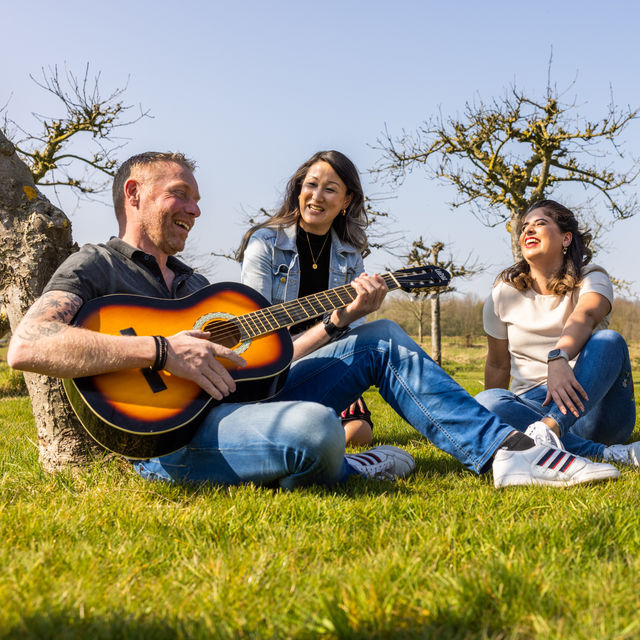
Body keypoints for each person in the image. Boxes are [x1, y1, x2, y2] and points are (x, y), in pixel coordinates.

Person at [7, 153, 621, 490]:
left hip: (247, 399)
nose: (196, 209)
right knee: (314, 432)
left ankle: (504, 453)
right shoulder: (96, 265)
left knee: (378, 337)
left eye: (197, 198)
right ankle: (353, 462)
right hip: (168, 437)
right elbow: (30, 345)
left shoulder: (196, 287)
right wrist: (164, 354)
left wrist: (339, 321)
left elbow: (264, 362)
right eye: (181, 195)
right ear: (134, 192)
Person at [476, 200, 637, 464]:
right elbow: (496, 364)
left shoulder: (592, 277)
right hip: (531, 409)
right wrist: (488, 423)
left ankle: (549, 432)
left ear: (566, 238)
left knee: (609, 340)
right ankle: (602, 454)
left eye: (540, 224)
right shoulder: (502, 295)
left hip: (590, 406)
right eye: (525, 226)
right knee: (485, 401)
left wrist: (559, 357)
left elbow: (584, 316)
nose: (528, 230)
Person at [237, 150, 374, 446]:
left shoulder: (351, 256)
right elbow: (256, 329)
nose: (317, 196)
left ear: (347, 201)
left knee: (359, 433)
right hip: (275, 366)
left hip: (327, 361)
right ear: (299, 189)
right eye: (311, 185)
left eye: (330, 189)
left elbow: (353, 334)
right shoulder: (265, 243)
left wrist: (358, 311)